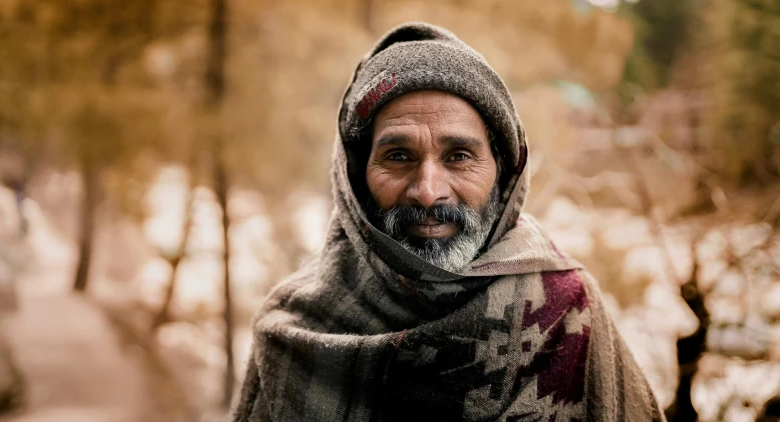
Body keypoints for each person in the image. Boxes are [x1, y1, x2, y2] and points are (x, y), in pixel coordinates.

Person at [231, 22, 665, 422]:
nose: (427, 190)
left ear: (504, 173)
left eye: (459, 156)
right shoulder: (296, 328)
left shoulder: (567, 313)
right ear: (355, 178)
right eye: (398, 156)